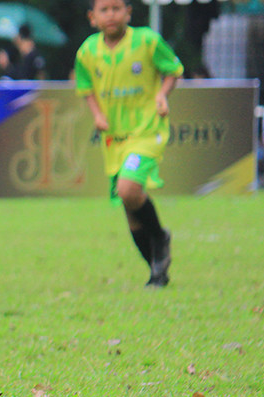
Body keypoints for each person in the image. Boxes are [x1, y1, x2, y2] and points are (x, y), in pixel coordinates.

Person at [75, 0, 184, 288]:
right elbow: (86, 88)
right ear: (92, 17)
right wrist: (97, 114)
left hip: (147, 131)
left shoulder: (147, 41)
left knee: (128, 188)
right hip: (115, 138)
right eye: (104, 9)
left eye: (116, 8)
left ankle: (160, 237)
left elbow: (173, 69)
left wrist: (162, 95)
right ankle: (157, 273)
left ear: (128, 13)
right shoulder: (87, 51)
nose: (111, 15)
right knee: (130, 211)